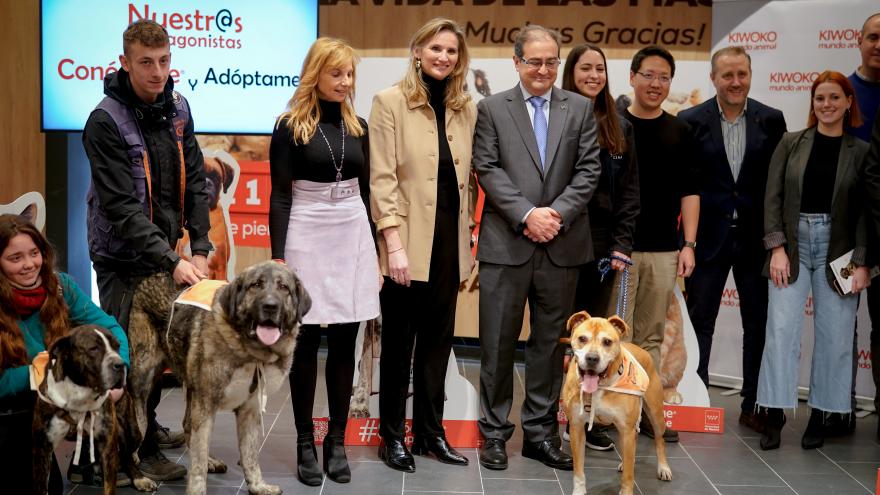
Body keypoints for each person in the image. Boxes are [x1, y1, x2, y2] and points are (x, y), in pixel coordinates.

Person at [82, 19, 211, 482]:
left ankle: (147, 431)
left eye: (164, 61)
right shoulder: (104, 121)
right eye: (146, 63)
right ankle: (122, 456)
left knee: (157, 357)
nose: (158, 73)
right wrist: (172, 260)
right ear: (124, 63)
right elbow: (120, 207)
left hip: (165, 254)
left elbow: (195, 181)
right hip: (121, 257)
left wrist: (199, 246)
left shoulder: (178, 107)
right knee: (132, 358)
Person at [473, 25, 601, 472]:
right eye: (535, 61)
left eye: (551, 61)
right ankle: (492, 435)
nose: (544, 69)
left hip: (562, 247)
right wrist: (528, 214)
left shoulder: (580, 108)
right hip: (506, 244)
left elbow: (588, 170)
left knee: (548, 347)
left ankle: (541, 434)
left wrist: (555, 215)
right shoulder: (491, 108)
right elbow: (485, 167)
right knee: (497, 344)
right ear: (516, 62)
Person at [269, 37, 380, 486]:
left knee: (346, 339)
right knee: (306, 342)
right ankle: (303, 441)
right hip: (306, 227)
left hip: (351, 227)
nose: (345, 82)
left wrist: (373, 251)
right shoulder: (288, 125)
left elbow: (368, 192)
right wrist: (279, 258)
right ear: (316, 74)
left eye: (350, 74)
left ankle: (336, 439)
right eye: (336, 73)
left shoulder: (359, 126)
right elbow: (279, 195)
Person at [369, 18, 476, 473]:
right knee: (398, 346)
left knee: (437, 347)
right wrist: (392, 243)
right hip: (407, 243)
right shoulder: (389, 102)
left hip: (450, 242)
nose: (443, 57)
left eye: (451, 51)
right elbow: (382, 178)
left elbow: (467, 180)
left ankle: (431, 433)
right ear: (417, 51)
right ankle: (392, 437)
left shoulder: (465, 107)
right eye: (436, 48)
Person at [757, 71, 870, 451]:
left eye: (834, 98)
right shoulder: (791, 143)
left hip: (841, 251)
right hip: (792, 245)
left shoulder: (862, 151)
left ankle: (823, 416)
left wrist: (864, 261)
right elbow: (772, 197)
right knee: (780, 331)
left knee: (837, 337)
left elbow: (867, 213)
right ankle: (772, 415)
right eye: (820, 98)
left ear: (848, 102)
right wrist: (776, 248)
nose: (826, 105)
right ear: (813, 102)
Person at [678, 46, 787, 434]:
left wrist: (779, 243)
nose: (736, 82)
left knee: (757, 323)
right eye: (727, 75)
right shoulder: (689, 121)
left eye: (742, 73)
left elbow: (779, 185)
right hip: (707, 239)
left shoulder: (771, 120)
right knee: (699, 321)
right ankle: (697, 400)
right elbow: (685, 184)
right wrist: (685, 244)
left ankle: (753, 404)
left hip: (758, 240)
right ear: (713, 79)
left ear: (750, 75)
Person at [0, 214, 131, 494]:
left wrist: (120, 370)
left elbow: (109, 327)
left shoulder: (60, 287)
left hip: (47, 402)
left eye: (34, 253)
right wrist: (35, 375)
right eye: (15, 258)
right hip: (9, 411)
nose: (29, 265)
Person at [560, 42, 640, 452]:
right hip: (558, 243)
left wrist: (622, 245)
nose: (593, 75)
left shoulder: (620, 126)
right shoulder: (555, 117)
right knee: (561, 335)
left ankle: (591, 418)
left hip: (604, 250)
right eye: (585, 68)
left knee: (595, 341)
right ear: (571, 72)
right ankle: (558, 417)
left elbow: (629, 195)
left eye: (600, 69)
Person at [621, 45, 700, 442]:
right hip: (619, 250)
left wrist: (689, 244)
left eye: (664, 77)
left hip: (664, 250)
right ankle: (611, 414)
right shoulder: (613, 126)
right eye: (648, 75)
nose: (656, 84)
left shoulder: (680, 130)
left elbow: (690, 191)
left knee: (652, 335)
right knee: (618, 334)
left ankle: (644, 411)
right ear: (632, 77)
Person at [846, 11, 880, 436]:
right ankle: (840, 406)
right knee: (842, 322)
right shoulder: (843, 90)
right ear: (859, 39)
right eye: (873, 37)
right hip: (847, 226)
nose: (878, 45)